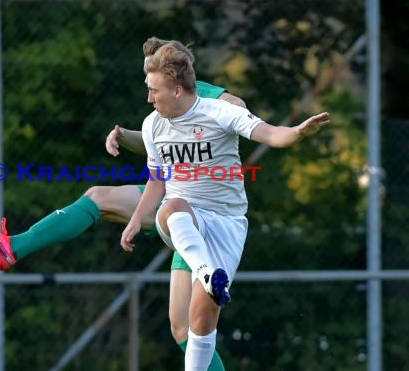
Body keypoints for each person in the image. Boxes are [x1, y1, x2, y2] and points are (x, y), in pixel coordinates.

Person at [0, 38, 244, 371]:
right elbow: (158, 144)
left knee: (185, 328)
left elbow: (236, 106)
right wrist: (123, 135)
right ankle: (13, 246)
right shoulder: (165, 103)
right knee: (98, 197)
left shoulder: (200, 94)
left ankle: (14, 246)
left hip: (202, 212)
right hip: (173, 200)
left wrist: (234, 113)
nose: (150, 91)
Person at [120, 42, 330, 370]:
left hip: (227, 223)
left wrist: (298, 133)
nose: (149, 98)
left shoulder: (219, 112)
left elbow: (272, 134)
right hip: (182, 218)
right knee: (174, 205)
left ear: (177, 90)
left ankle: (209, 280)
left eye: (154, 90)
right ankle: (206, 271)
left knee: (202, 323)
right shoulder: (152, 126)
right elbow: (157, 180)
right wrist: (136, 220)